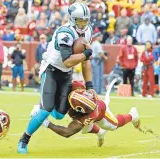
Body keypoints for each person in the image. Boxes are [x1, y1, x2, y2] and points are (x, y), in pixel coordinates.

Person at [17, 2, 94, 154]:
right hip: (52, 70)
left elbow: (86, 62)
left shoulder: (87, 31)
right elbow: (68, 60)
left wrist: (90, 86)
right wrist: (86, 53)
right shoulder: (64, 33)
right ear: (72, 19)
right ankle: (24, 139)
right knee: (46, 110)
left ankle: (40, 110)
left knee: (58, 115)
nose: (83, 24)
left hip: (66, 73)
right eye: (80, 20)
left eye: (85, 20)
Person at [42, 80, 141, 147]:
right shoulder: (76, 86)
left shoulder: (91, 114)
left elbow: (67, 132)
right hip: (84, 110)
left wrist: (46, 123)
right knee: (85, 130)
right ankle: (100, 132)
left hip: (101, 113)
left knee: (113, 125)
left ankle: (132, 115)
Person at [91, 29, 108, 94]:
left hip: (94, 61)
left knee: (94, 76)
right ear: (97, 37)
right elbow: (100, 53)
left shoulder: (93, 43)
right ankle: (98, 91)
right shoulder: (97, 44)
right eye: (100, 36)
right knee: (98, 77)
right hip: (97, 61)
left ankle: (96, 90)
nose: (101, 37)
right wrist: (105, 57)